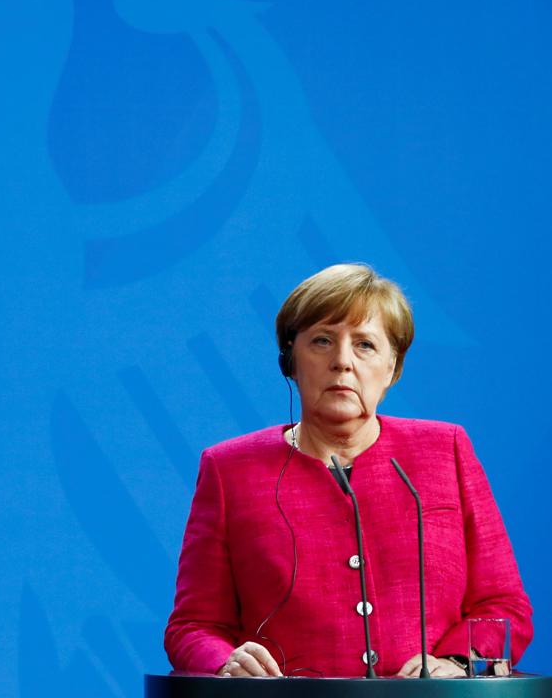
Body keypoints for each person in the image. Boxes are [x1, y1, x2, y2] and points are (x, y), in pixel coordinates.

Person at [164, 263, 531, 678]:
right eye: (322, 341)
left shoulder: (446, 451)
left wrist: (456, 661)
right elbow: (193, 627)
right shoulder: (229, 469)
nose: (342, 362)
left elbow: (504, 606)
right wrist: (226, 662)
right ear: (290, 362)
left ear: (392, 367)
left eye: (365, 345)